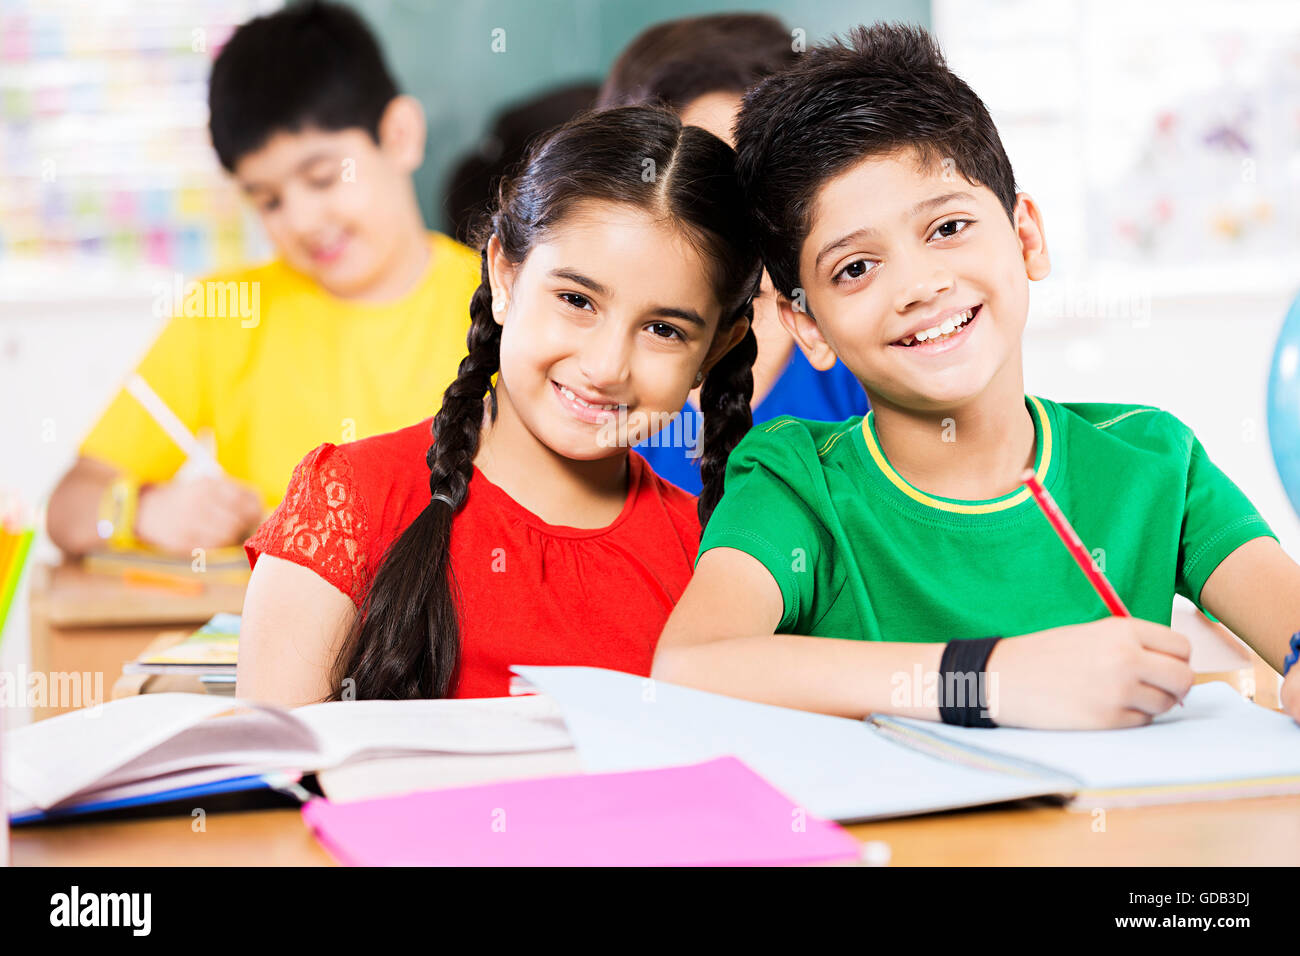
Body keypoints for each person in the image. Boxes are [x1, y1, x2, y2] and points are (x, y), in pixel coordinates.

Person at [652, 24, 1300, 728]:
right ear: (806, 322)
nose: (919, 285)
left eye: (948, 228)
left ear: (1027, 237)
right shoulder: (796, 484)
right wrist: (985, 679)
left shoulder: (1152, 462)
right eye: (856, 268)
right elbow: (690, 667)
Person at [238, 106, 760, 706]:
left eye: (663, 330)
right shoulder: (349, 502)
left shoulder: (720, 565)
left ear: (714, 347)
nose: (606, 366)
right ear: (505, 278)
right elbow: (270, 779)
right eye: (577, 300)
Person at [47, 1, 480, 557]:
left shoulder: (498, 304)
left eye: (323, 178)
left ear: (399, 134)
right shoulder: (225, 311)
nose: (301, 221)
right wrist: (145, 510)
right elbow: (69, 507)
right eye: (268, 200)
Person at [599, 13, 869, 494]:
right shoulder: (592, 378)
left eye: (757, 173)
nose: (740, 211)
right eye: (706, 182)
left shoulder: (865, 358)